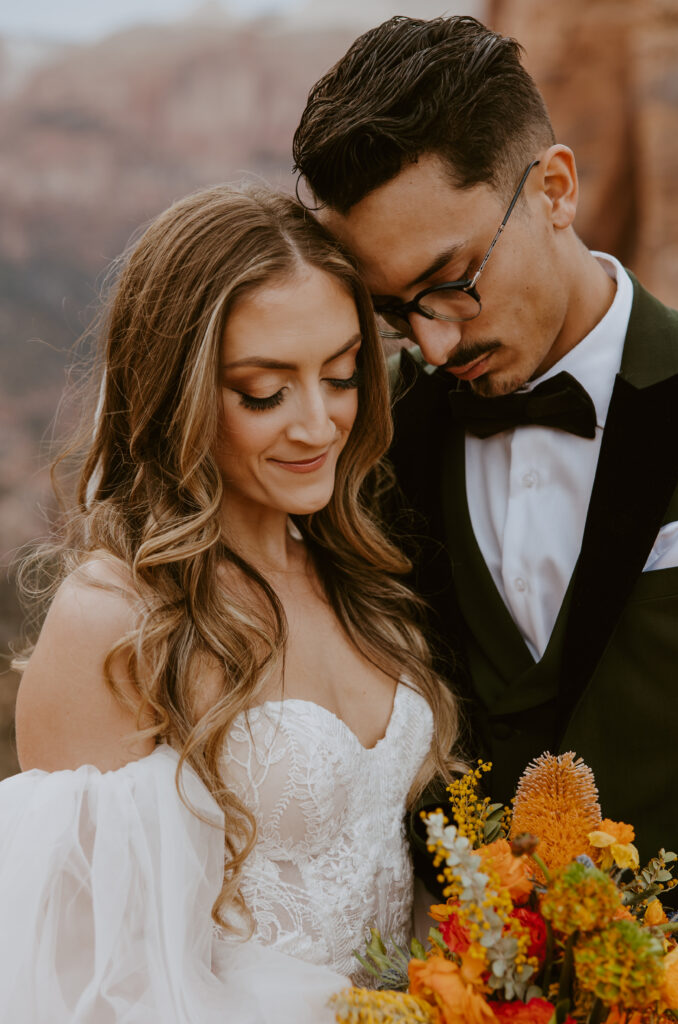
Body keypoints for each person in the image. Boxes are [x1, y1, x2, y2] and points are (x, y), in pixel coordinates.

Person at [2, 184, 462, 1022]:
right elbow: (84, 985)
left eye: (342, 374)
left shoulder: (355, 569)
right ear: (175, 390)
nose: (319, 424)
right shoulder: (112, 622)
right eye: (264, 391)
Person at [292, 14, 678, 897]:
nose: (431, 346)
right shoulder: (358, 439)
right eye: (394, 312)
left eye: (453, 283)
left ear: (554, 188)